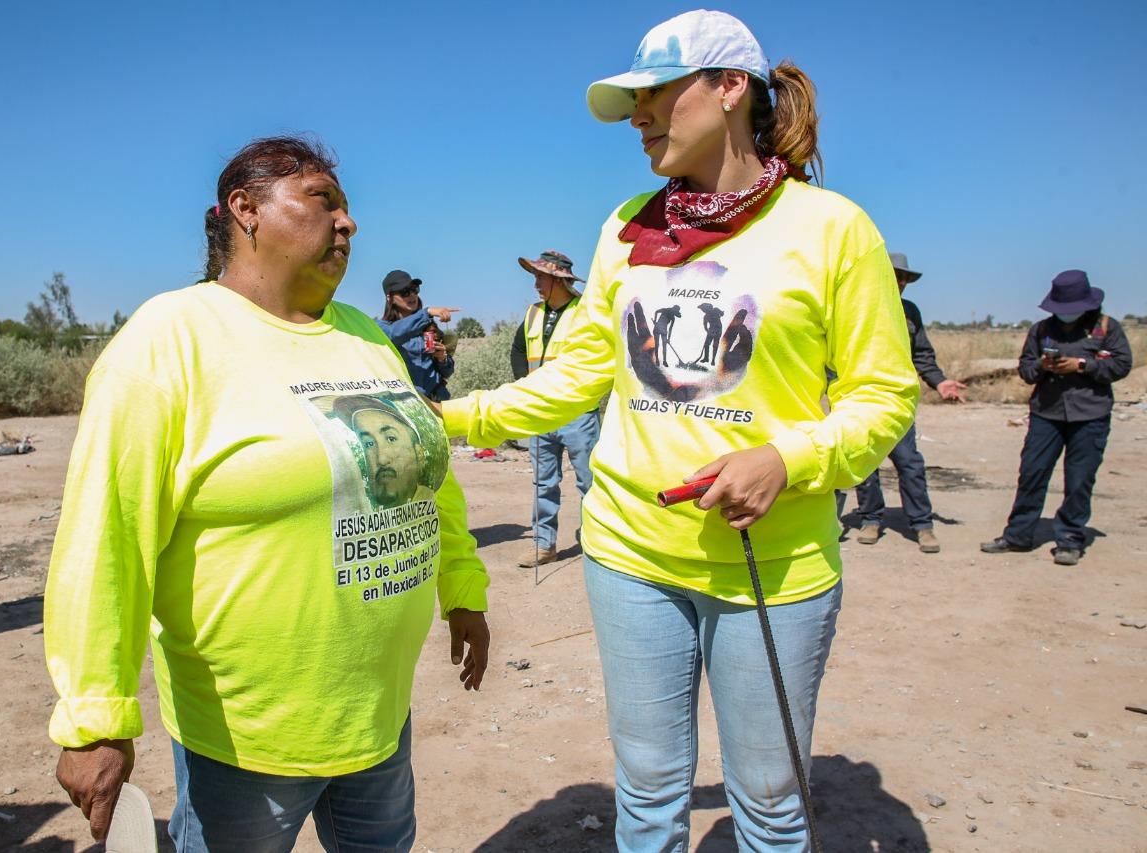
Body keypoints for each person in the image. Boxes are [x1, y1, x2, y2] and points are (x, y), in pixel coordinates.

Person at [442, 11, 918, 851]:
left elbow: (883, 396)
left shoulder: (833, 228)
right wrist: (446, 414)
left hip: (774, 565)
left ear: (730, 86)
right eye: (634, 101)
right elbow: (575, 376)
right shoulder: (625, 227)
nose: (639, 116)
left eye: (656, 92)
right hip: (629, 558)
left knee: (771, 806)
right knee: (650, 795)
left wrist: (790, 455)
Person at [44, 136, 491, 852]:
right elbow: (106, 537)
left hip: (377, 717)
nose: (348, 223)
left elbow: (424, 472)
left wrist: (462, 586)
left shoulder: (367, 340)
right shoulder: (169, 340)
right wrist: (96, 717)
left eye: (349, 210)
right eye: (323, 201)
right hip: (246, 742)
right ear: (244, 209)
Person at [981, 270, 1132, 565]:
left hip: (1090, 415)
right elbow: (1025, 371)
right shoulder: (1041, 330)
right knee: (1032, 474)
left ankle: (1070, 540)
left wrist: (1082, 365)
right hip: (1046, 413)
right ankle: (1018, 536)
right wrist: (1043, 365)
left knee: (1079, 480)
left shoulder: (1106, 328)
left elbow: (1122, 365)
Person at [850, 252, 967, 553]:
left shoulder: (909, 312)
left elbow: (923, 355)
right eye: (893, 275)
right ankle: (871, 519)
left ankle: (922, 525)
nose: (899, 282)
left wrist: (940, 382)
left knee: (909, 463)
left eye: (903, 277)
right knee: (866, 465)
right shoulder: (856, 307)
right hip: (860, 401)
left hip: (896, 401)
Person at [508, 249, 601, 567]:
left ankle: (597, 541)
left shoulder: (585, 313)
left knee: (589, 480)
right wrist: (527, 388)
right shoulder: (533, 313)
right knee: (543, 482)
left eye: (540, 277)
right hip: (541, 413)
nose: (535, 284)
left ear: (558, 280)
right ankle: (544, 545)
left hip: (578, 414)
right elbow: (519, 351)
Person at [376, 269, 459, 401]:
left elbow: (447, 372)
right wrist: (428, 312)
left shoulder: (429, 327)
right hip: (408, 404)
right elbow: (393, 335)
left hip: (438, 401)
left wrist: (442, 358)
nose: (412, 295)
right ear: (389, 297)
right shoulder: (382, 328)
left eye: (414, 289)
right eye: (405, 292)